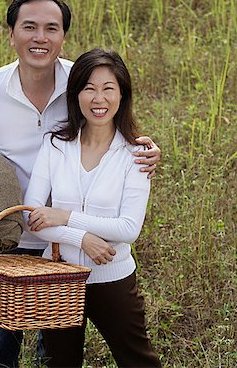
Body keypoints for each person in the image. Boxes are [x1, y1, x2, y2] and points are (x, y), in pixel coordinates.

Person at [0, 0, 161, 368]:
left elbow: (112, 114)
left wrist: (143, 151)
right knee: (1, 348)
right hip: (19, 232)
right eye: (29, 27)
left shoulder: (79, 79)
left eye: (52, 28)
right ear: (11, 34)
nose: (40, 37)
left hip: (69, 255)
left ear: (63, 35)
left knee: (91, 355)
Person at [23, 48, 162, 368]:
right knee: (61, 362)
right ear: (76, 94)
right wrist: (80, 238)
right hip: (58, 278)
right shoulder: (55, 144)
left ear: (122, 94)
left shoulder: (136, 153)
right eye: (89, 88)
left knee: (139, 361)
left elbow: (129, 228)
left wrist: (65, 216)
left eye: (108, 88)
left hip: (113, 278)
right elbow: (31, 217)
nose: (99, 98)